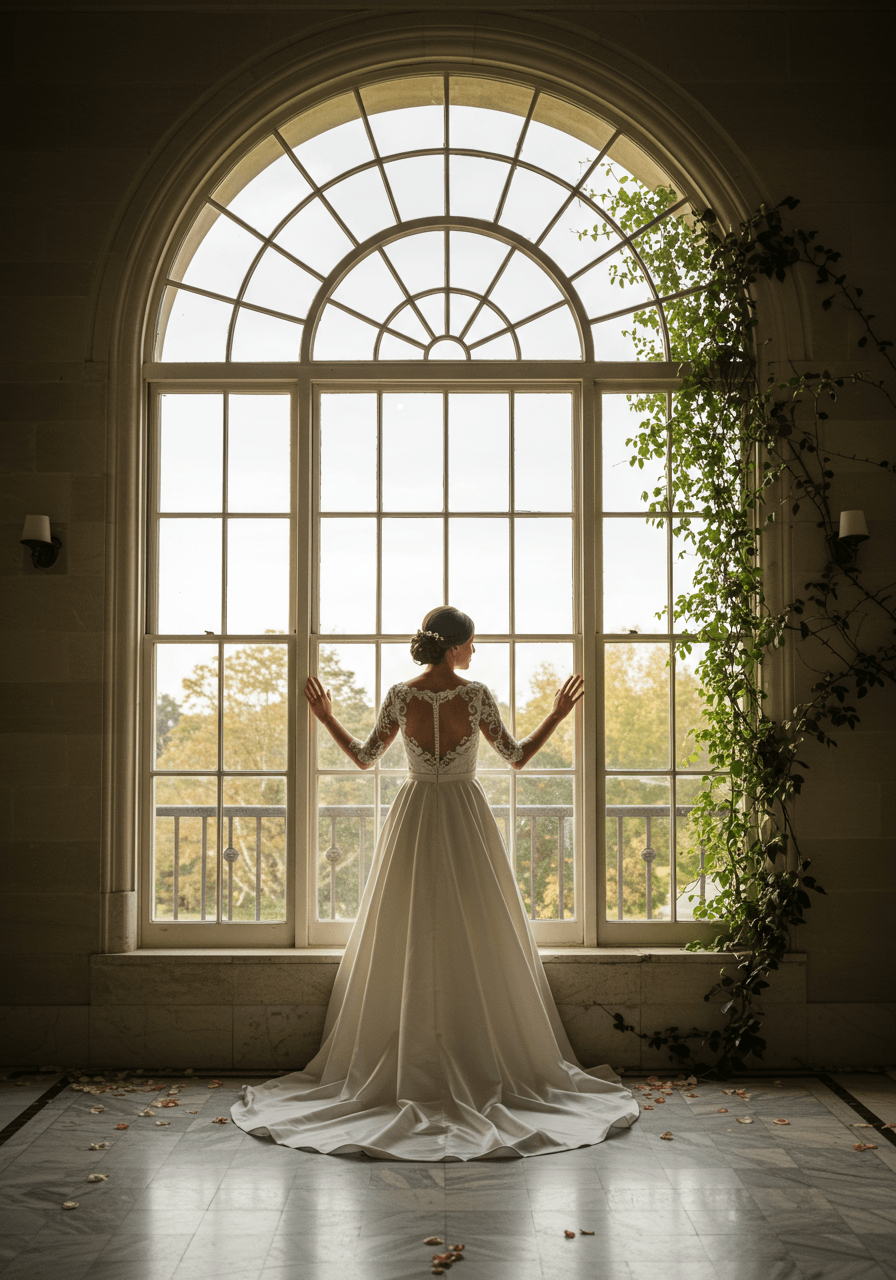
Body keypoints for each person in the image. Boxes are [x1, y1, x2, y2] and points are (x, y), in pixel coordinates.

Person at [231, 606, 638, 1160]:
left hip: (416, 815)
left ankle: (413, 1060)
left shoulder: (401, 695)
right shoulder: (475, 697)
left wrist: (326, 716)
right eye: (471, 642)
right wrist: (559, 714)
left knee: (408, 927)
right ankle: (479, 1056)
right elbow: (517, 758)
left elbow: (365, 757)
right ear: (454, 646)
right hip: (465, 816)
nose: (475, 650)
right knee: (476, 927)